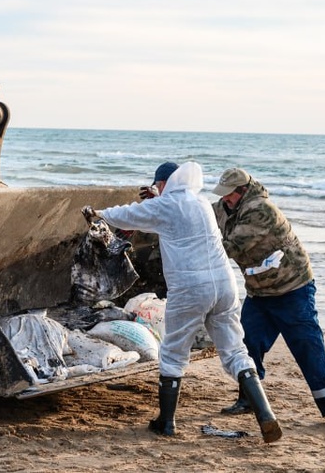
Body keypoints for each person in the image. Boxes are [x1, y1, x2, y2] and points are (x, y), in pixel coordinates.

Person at [84, 161, 282, 443]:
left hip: (191, 288)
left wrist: (99, 214)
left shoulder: (167, 205)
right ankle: (266, 416)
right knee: (235, 350)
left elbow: (130, 215)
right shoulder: (200, 203)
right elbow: (169, 218)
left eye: (157, 186)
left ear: (163, 184)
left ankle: (166, 423)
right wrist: (156, 200)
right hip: (224, 286)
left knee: (173, 353)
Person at [211, 167, 325, 427]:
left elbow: (229, 248)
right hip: (260, 292)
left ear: (242, 191)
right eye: (223, 195)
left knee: (307, 346)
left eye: (229, 195)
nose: (224, 199)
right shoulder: (225, 207)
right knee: (248, 345)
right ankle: (249, 399)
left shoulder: (261, 210)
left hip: (292, 289)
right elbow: (202, 216)